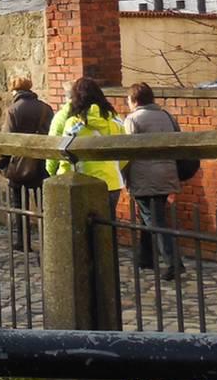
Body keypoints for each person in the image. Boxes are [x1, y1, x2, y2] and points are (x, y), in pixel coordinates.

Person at [123, 83, 185, 280]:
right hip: (166, 173)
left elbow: (126, 151)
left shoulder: (133, 119)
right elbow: (179, 142)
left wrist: (125, 178)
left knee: (155, 221)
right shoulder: (167, 116)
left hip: (144, 177)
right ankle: (146, 258)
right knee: (149, 216)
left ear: (134, 100)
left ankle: (174, 263)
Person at [45, 77, 128, 213]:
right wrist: (115, 168)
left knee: (82, 223)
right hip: (112, 182)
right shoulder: (115, 120)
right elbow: (125, 152)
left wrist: (58, 176)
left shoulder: (74, 123)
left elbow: (65, 155)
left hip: (82, 182)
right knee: (108, 223)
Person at [1, 75, 55, 249]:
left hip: (20, 163)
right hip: (42, 162)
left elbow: (7, 141)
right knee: (44, 206)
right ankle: (48, 241)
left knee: (19, 205)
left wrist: (2, 162)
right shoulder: (46, 109)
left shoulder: (13, 110)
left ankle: (23, 241)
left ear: (15, 91)